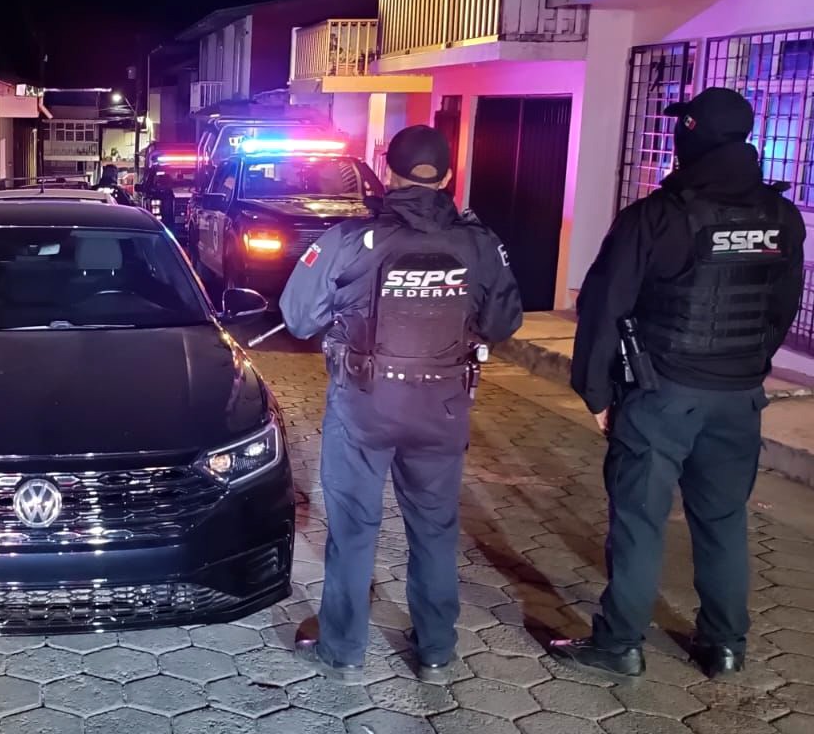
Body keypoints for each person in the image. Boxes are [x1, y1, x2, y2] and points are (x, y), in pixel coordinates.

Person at [550, 88, 805, 680]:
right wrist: (745, 367)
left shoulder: (658, 216)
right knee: (722, 519)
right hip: (738, 396)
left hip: (662, 393)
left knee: (640, 519)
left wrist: (596, 392)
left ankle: (619, 645)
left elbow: (603, 306)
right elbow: (782, 308)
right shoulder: (781, 217)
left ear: (691, 133)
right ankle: (724, 645)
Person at [279, 125, 523, 684]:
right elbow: (504, 321)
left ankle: (342, 649)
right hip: (441, 407)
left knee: (354, 527)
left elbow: (297, 317)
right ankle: (436, 650)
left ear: (386, 171)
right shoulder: (479, 242)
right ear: (448, 176)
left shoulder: (348, 237)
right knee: (435, 528)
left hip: (364, 407)